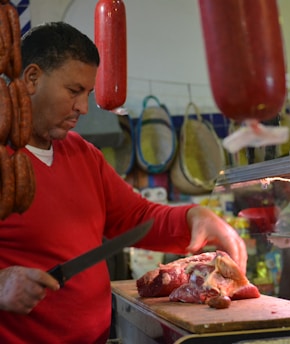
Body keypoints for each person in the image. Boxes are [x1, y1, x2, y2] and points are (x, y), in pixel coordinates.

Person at [0, 22, 247, 343]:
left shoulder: (83, 154)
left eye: (87, 94)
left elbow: (134, 217)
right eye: (73, 91)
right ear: (32, 78)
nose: (83, 108)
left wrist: (193, 218)